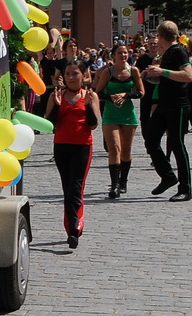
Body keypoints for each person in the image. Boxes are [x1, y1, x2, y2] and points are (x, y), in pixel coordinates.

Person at [43, 63, 99, 248]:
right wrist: (57, 106)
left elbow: (93, 124)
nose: (71, 77)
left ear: (83, 75)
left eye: (75, 73)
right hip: (61, 145)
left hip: (82, 146)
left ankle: (74, 228)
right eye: (67, 74)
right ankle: (72, 228)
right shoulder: (56, 95)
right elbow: (49, 124)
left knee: (75, 187)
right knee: (67, 187)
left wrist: (88, 105)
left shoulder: (90, 96)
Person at [141, 21, 192, 201]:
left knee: (177, 144)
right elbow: (166, 79)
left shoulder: (179, 51)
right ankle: (168, 176)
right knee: (151, 140)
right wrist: (151, 75)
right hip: (164, 104)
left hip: (178, 105)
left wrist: (162, 71)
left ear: (161, 36)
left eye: (157, 36)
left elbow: (187, 76)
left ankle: (185, 188)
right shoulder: (166, 53)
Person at [93, 44, 140, 199]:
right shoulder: (108, 72)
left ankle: (123, 181)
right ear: (114, 55)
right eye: (120, 53)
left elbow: (141, 92)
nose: (123, 55)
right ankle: (114, 185)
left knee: (126, 151)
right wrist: (111, 97)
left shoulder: (133, 71)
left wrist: (126, 94)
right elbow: (98, 93)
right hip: (110, 114)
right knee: (114, 148)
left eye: (125, 53)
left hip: (128, 114)